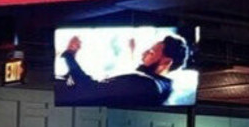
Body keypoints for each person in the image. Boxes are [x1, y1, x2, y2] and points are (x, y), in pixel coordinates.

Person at [60, 33, 190, 108]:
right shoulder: (166, 86)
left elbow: (89, 88)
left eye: (151, 52)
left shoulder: (147, 85)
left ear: (166, 62)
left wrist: (69, 54)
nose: (143, 54)